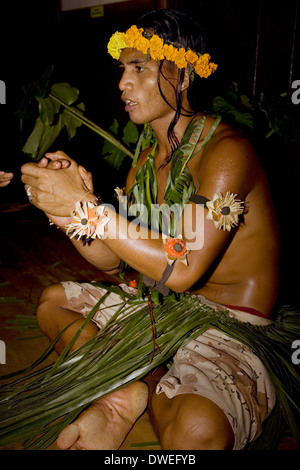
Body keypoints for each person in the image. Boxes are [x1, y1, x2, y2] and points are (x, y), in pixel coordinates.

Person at [21, 9, 281, 450]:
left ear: (181, 74)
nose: (122, 83)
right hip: (163, 309)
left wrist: (87, 207)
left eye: (138, 67)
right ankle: (121, 391)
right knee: (53, 302)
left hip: (232, 324)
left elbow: (179, 269)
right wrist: (72, 216)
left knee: (196, 433)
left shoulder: (227, 153)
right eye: (122, 69)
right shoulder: (146, 159)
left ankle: (134, 377)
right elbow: (114, 257)